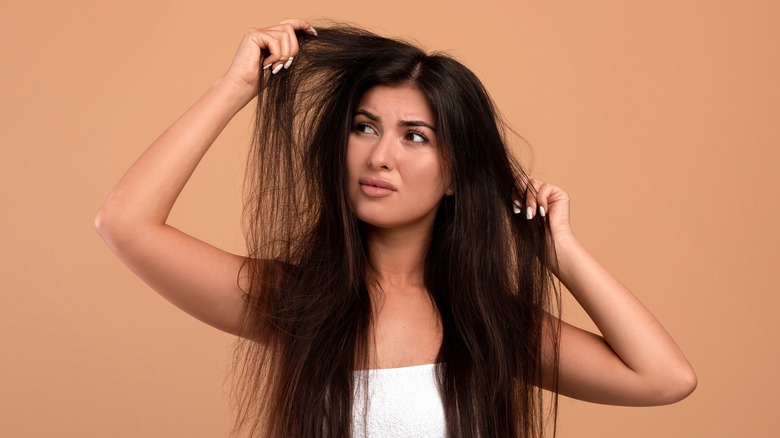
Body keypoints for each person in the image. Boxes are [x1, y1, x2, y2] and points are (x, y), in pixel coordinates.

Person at [94, 18, 696, 438]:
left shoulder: (488, 320)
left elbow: (664, 379)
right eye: (363, 127)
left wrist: (556, 250)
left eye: (415, 136)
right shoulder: (295, 303)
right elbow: (125, 224)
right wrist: (236, 87)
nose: (380, 156)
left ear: (457, 172)